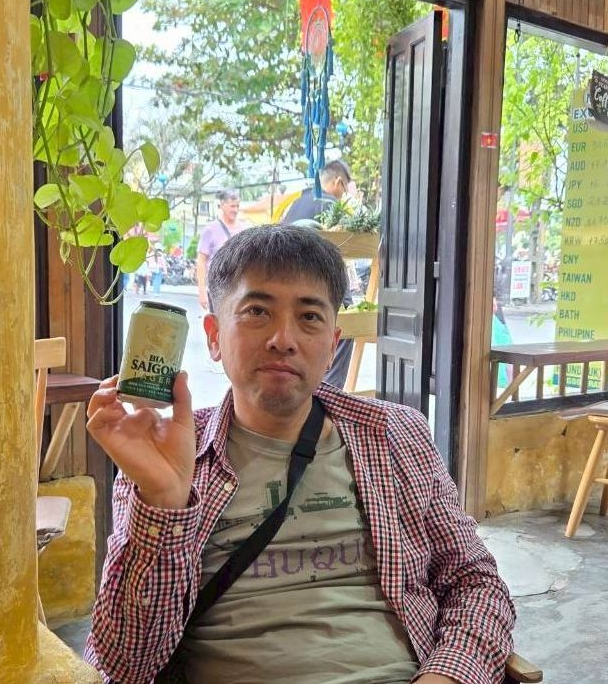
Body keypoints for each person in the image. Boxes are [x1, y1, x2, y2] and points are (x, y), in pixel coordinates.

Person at [84, 225, 515, 684]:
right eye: (257, 311)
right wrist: (164, 501)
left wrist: (447, 676)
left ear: (333, 344)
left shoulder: (394, 435)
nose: (283, 339)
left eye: (309, 316)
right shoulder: (169, 455)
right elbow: (125, 664)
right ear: (213, 336)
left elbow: (475, 581)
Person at [282, 159, 355, 389]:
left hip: (286, 281)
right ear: (338, 182)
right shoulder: (330, 204)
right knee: (347, 319)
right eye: (345, 188)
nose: (344, 194)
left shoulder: (297, 202)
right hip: (316, 281)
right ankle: (330, 389)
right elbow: (343, 247)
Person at [196, 189, 246, 310]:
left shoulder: (244, 229)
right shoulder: (210, 230)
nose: (235, 210)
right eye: (232, 206)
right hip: (217, 290)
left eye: (237, 206)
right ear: (222, 205)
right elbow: (201, 262)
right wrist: (202, 292)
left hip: (239, 290)